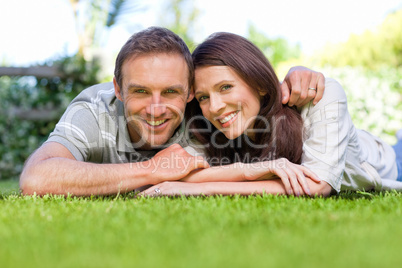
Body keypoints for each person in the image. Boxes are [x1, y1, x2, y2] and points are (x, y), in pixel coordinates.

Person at [19, 27, 324, 196]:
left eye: (170, 92)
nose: (155, 109)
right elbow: (36, 178)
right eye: (140, 91)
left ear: (190, 91)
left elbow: (240, 87)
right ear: (117, 88)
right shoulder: (95, 108)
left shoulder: (204, 116)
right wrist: (150, 169)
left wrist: (295, 74)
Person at [141, 32, 402, 197]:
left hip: (393, 164)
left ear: (260, 84)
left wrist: (195, 189)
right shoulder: (206, 127)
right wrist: (253, 170)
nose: (215, 107)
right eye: (203, 97)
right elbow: (182, 172)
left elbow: (317, 185)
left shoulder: (319, 96)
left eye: (226, 87)